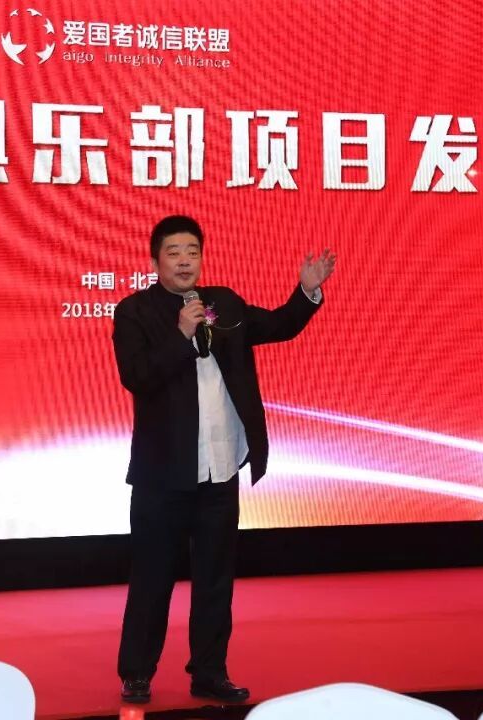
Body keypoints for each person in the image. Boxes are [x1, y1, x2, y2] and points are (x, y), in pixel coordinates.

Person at [113, 215, 335, 704]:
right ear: (155, 261)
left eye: (192, 251)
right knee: (152, 578)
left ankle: (210, 673)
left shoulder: (224, 304)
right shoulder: (134, 312)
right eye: (174, 252)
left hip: (220, 470)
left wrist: (307, 292)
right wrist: (180, 335)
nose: (184, 261)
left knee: (215, 580)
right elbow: (137, 376)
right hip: (162, 476)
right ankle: (137, 673)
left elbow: (278, 326)